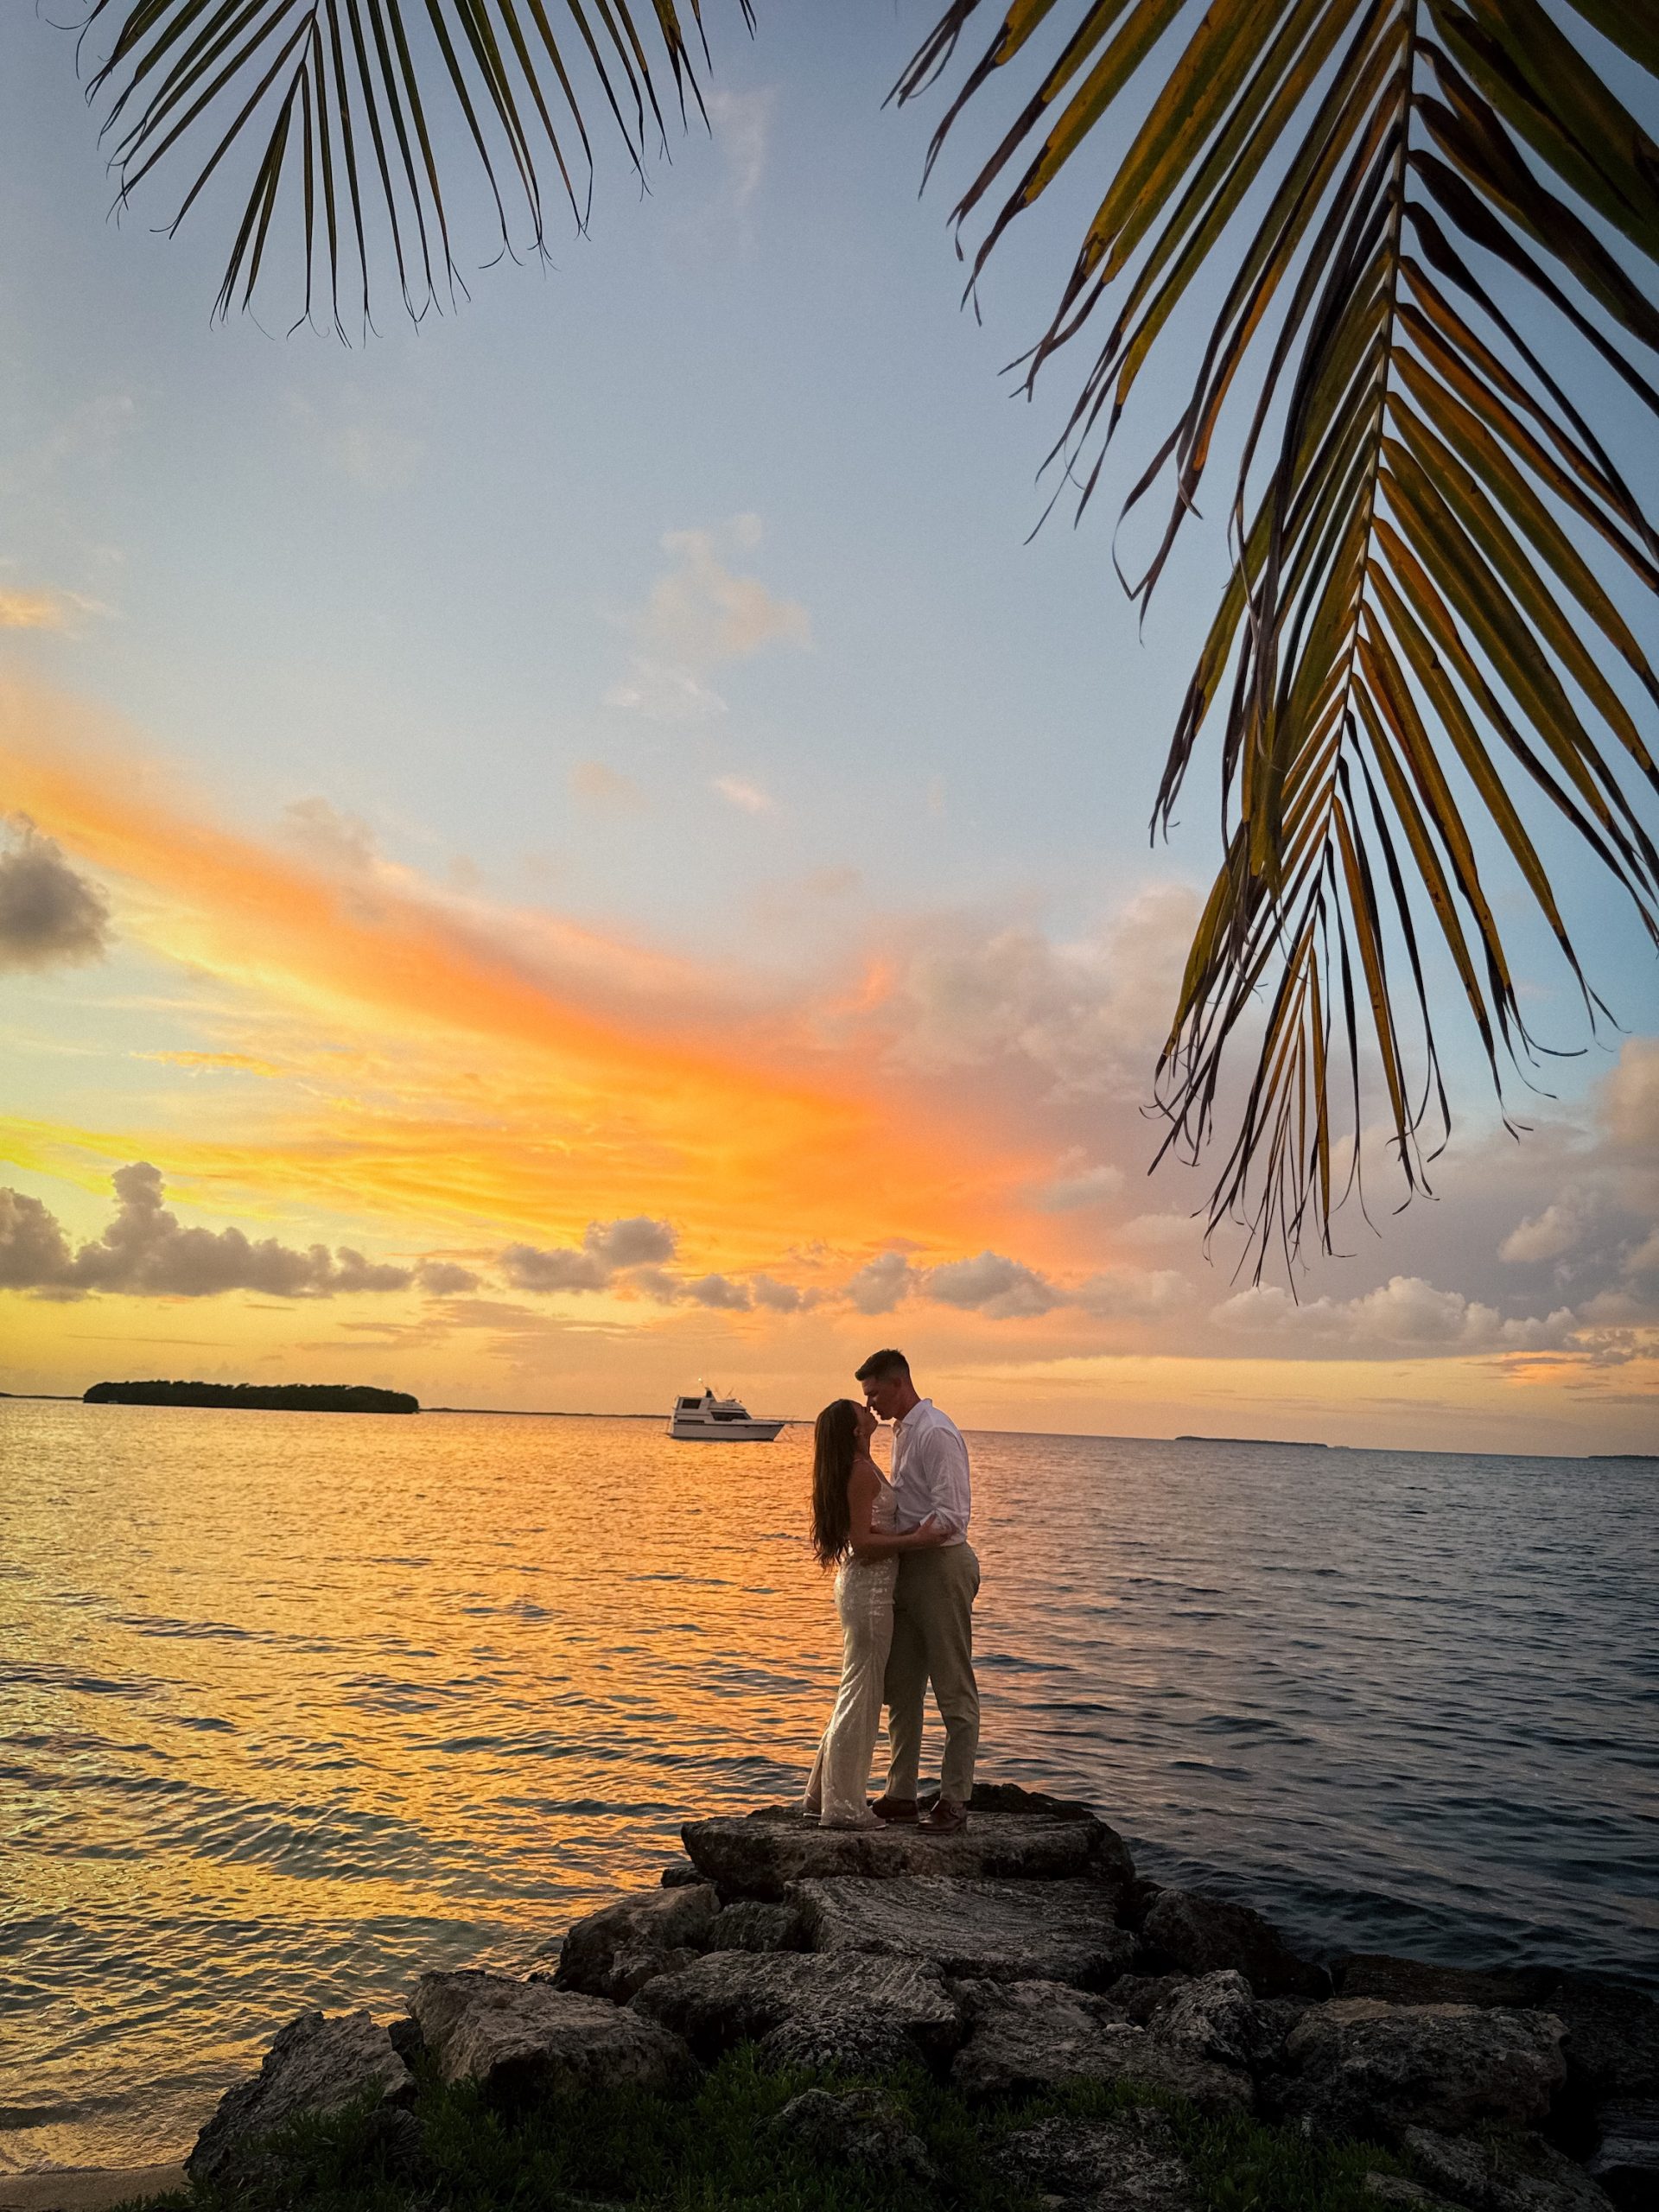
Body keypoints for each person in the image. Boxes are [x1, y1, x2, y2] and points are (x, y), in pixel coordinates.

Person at [802, 1397, 950, 1828]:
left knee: (856, 1689)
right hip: (868, 1591)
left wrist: (898, 1533)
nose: (870, 1410)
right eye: (861, 1411)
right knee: (862, 1694)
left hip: (867, 1587)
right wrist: (917, 1540)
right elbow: (863, 1543)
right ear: (854, 1429)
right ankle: (844, 1808)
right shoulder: (861, 1471)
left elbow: (865, 1530)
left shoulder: (859, 1467)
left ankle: (819, 1794)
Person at [856, 1348, 980, 1833]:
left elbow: (952, 1516)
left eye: (873, 1394)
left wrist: (900, 1542)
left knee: (952, 1683)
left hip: (941, 1565)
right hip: (909, 1565)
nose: (869, 1405)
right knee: (901, 1684)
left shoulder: (935, 1432)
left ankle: (954, 1802)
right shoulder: (902, 1431)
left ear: (897, 1383)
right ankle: (901, 1793)